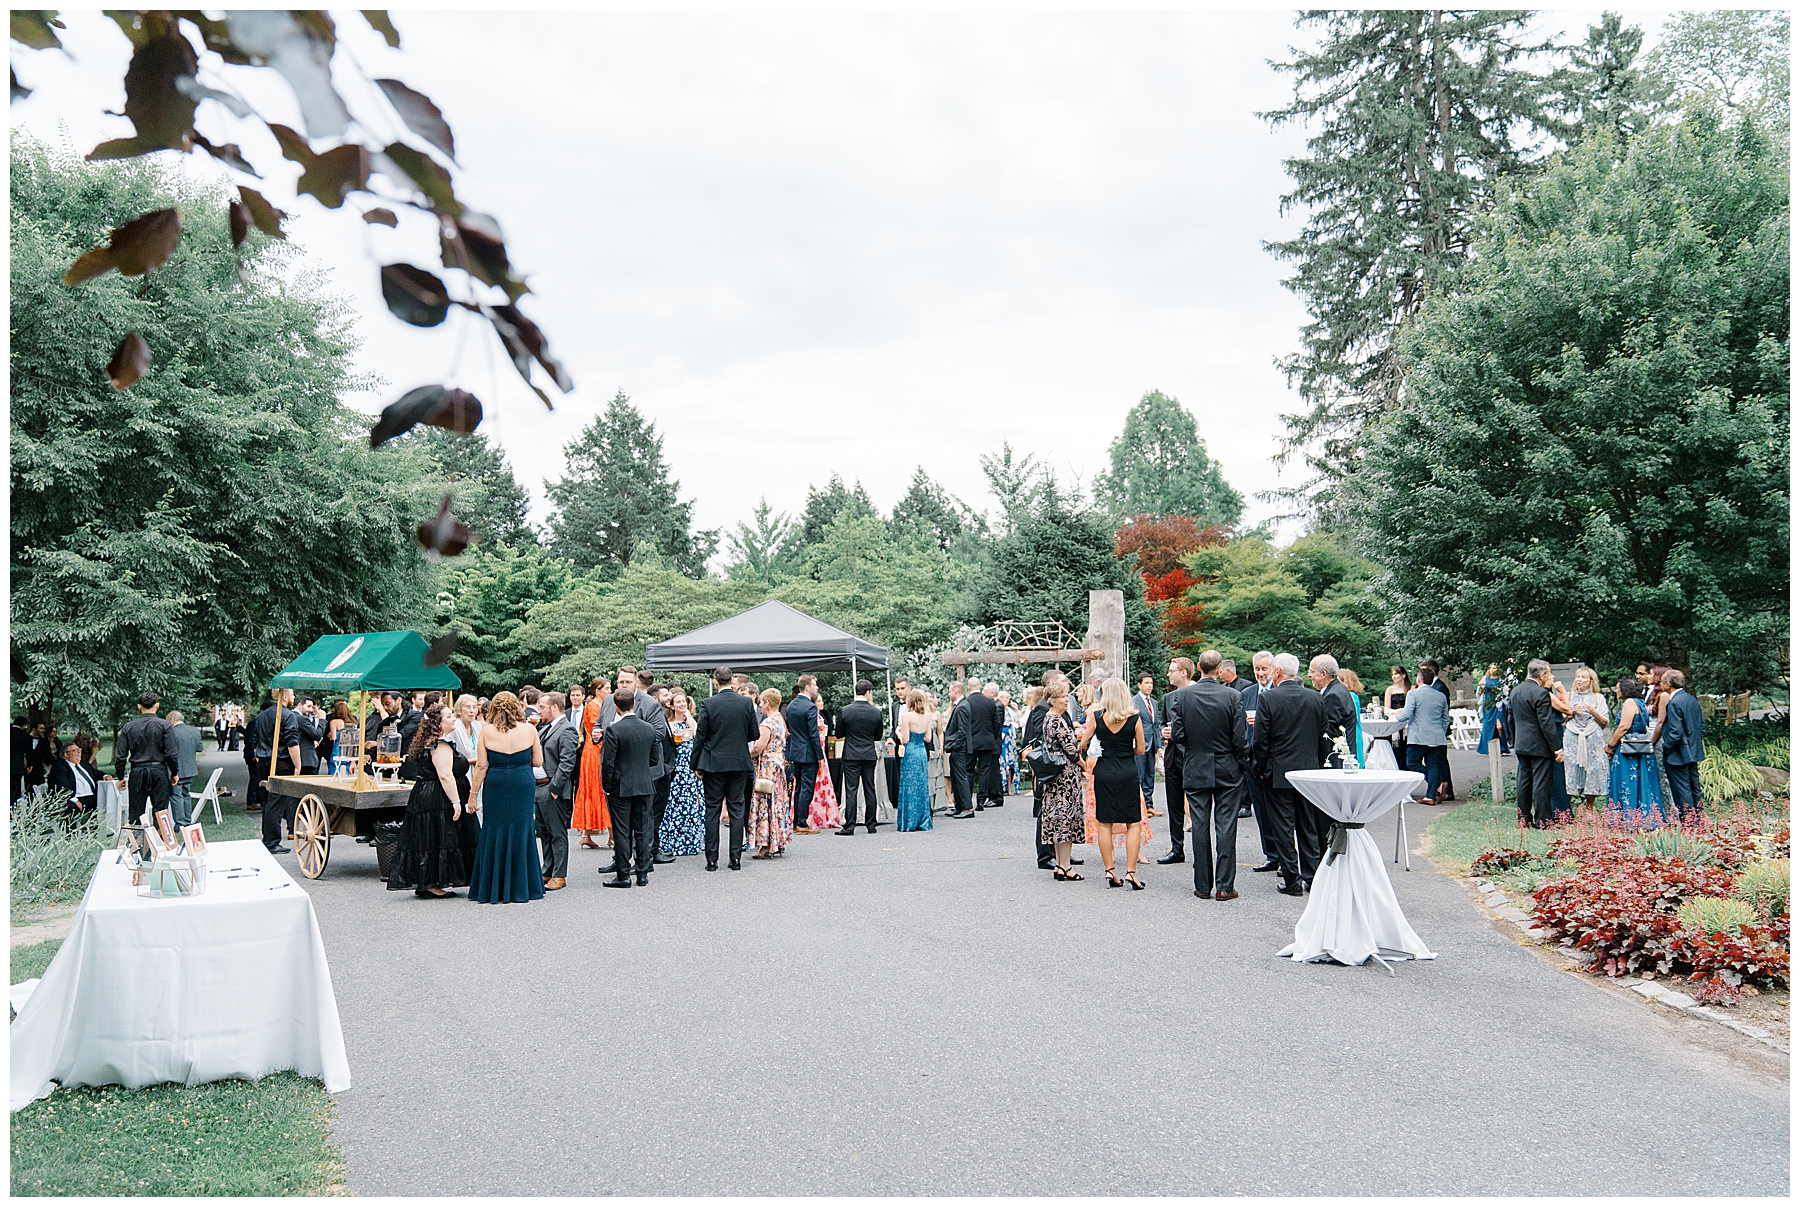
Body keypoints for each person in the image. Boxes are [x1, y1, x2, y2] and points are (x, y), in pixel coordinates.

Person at [1171, 650, 1250, 901]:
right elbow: (1239, 736)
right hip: (1227, 764)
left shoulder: (1181, 696)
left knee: (1200, 824)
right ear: (1218, 669)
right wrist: (1242, 762)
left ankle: (1202, 885)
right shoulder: (1233, 696)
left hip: (1196, 763)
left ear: (1199, 667)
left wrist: (1193, 752)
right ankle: (1225, 886)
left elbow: (1178, 734)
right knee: (1226, 825)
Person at [1252, 653, 1330, 895]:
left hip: (1278, 772)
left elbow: (1261, 740)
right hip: (1307, 772)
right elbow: (1323, 737)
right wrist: (1316, 764)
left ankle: (1291, 880)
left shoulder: (1268, 700)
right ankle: (1312, 875)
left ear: (1277, 672)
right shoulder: (1315, 698)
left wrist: (1261, 768)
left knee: (1283, 827)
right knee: (1307, 825)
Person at [389, 703, 478, 898]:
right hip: (438, 796)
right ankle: (430, 883)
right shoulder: (440, 744)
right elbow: (445, 775)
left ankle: (429, 881)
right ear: (438, 723)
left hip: (428, 794)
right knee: (438, 836)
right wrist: (456, 802)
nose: (453, 718)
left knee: (431, 836)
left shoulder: (432, 741)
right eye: (449, 717)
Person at [468, 692, 545, 904]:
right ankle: (522, 886)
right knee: (522, 827)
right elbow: (538, 762)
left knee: (494, 828)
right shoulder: (530, 730)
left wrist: (472, 796)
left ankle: (493, 886)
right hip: (522, 780)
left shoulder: (486, 732)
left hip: (496, 781)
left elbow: (481, 767)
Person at [1078, 677, 1147, 889]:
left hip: (1104, 771)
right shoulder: (1134, 718)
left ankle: (1110, 870)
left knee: (1105, 823)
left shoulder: (1097, 717)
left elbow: (1082, 743)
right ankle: (1131, 872)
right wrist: (1126, 750)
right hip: (1127, 770)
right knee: (1133, 822)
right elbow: (1142, 750)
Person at [693, 666, 762, 871]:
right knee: (736, 808)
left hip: (714, 763)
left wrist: (695, 763)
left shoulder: (708, 703)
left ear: (716, 682)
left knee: (712, 809)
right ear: (732, 681)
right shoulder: (745, 703)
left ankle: (712, 859)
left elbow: (701, 737)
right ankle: (735, 859)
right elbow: (754, 733)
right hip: (739, 762)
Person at [600, 688, 661, 888]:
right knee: (643, 830)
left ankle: (623, 875)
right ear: (634, 704)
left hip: (621, 786)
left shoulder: (613, 730)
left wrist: (607, 785)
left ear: (616, 707)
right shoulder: (648, 728)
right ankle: (642, 873)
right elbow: (654, 759)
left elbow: (608, 762)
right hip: (644, 784)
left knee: (622, 831)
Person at [1037, 678, 1086, 881]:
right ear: (1053, 699)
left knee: (1057, 818)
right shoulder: (1057, 720)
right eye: (1063, 697)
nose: (1067, 700)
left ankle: (1059, 864)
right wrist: (1084, 766)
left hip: (1055, 777)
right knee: (1066, 819)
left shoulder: (1048, 718)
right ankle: (1065, 866)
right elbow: (1071, 749)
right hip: (1066, 777)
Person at [114, 691, 182, 829]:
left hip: (138, 771)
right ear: (157, 705)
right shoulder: (165, 725)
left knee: (135, 812)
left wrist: (121, 776)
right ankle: (162, 843)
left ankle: (136, 845)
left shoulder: (128, 726)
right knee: (161, 812)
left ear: (139, 706)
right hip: (158, 770)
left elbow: (120, 755)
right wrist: (174, 772)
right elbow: (171, 754)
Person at [535, 692, 581, 891]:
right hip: (539, 785)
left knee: (557, 832)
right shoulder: (546, 728)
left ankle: (559, 874)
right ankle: (548, 869)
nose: (539, 711)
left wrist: (555, 788)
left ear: (554, 707)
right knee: (544, 832)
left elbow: (567, 762)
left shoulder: (567, 729)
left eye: (542, 707)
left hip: (552, 788)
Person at [1508, 659, 1562, 829]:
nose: (1550, 676)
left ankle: (1523, 819)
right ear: (1542, 675)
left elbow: (1510, 718)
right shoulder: (1541, 693)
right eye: (1549, 673)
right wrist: (1557, 747)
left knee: (1523, 782)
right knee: (1541, 783)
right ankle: (1543, 820)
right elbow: (1546, 723)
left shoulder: (1516, 691)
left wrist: (1514, 739)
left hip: (1522, 744)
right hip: (1539, 746)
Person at [1606, 677, 1665, 825]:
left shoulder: (1630, 702)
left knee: (1626, 781)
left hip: (1628, 751)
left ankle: (1627, 818)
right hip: (1641, 749)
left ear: (1625, 689)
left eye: (1618, 688)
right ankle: (1643, 816)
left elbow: (1624, 726)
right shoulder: (1641, 703)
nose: (1616, 690)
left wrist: (1611, 745)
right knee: (1642, 782)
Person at [1390, 665, 1451, 804]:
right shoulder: (1440, 696)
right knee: (1433, 765)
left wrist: (1393, 719)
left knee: (1411, 762)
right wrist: (1439, 730)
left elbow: (1406, 714)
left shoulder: (1413, 694)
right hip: (1437, 737)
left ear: (1418, 680)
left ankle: (1436, 786)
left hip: (1418, 737)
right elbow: (1446, 718)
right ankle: (1430, 796)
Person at [658, 688, 705, 856]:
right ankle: (671, 841)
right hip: (676, 767)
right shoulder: (669, 724)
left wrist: (690, 720)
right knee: (674, 803)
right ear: (671, 705)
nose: (681, 704)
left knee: (692, 803)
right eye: (678, 702)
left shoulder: (691, 722)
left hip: (690, 767)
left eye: (683, 701)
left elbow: (700, 736)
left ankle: (691, 841)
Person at [1157, 658, 1194, 864]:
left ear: (1184, 673)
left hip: (1191, 756)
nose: (1168, 674)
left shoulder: (1197, 694)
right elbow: (1164, 723)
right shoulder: (1168, 698)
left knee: (1197, 804)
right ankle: (1176, 848)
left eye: (1172, 671)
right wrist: (1164, 731)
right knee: (1174, 805)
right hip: (1172, 757)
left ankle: (1199, 848)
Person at [1558, 667, 1611, 810]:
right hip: (1572, 736)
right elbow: (1560, 719)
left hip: (1592, 736)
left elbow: (1605, 722)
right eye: (1578, 677)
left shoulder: (1597, 697)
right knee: (1570, 768)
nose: (1579, 680)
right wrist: (1570, 712)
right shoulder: (1568, 695)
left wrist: (1594, 712)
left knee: (1592, 769)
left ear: (1591, 681)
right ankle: (1566, 807)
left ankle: (1589, 807)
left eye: (1583, 677)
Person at [836, 680, 884, 835]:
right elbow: (878, 736)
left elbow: (838, 734)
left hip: (851, 754)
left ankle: (849, 825)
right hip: (869, 753)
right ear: (868, 692)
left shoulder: (845, 710)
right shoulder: (876, 712)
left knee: (851, 789)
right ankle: (871, 824)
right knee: (870, 788)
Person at [750, 688, 794, 858]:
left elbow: (757, 747)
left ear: (767, 703)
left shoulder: (767, 724)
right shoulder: (780, 721)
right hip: (778, 765)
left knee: (766, 803)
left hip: (767, 767)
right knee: (778, 802)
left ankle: (766, 844)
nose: (760, 705)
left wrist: (745, 754)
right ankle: (778, 839)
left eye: (761, 702)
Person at [1659, 670, 1706, 818]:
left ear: (1668, 684)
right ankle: (1698, 818)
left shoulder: (1674, 703)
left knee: (1682, 788)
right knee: (1695, 787)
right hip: (1694, 750)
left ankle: (1688, 821)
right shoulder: (1691, 699)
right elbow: (1702, 727)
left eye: (1661, 682)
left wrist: (1666, 747)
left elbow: (1675, 732)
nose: (1659, 684)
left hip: (1678, 753)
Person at [780, 676, 823, 835]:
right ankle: (801, 822)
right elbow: (813, 734)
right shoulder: (810, 707)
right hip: (808, 752)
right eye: (814, 685)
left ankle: (797, 820)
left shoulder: (791, 706)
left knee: (798, 788)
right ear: (807, 687)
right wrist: (820, 756)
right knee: (807, 788)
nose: (816, 687)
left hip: (795, 750)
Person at [573, 677, 610, 852]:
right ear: (598, 691)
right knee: (599, 788)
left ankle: (586, 835)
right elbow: (599, 730)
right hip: (595, 751)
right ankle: (611, 835)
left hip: (593, 749)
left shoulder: (598, 705)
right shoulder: (594, 707)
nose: (610, 691)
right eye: (607, 688)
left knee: (593, 789)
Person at [895, 688, 936, 832]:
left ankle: (909, 821)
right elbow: (928, 738)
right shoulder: (927, 716)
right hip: (921, 752)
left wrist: (898, 732)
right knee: (921, 785)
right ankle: (923, 820)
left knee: (909, 785)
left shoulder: (907, 717)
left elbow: (905, 740)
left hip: (911, 752)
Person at [1310, 655, 1358, 769]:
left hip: (1336, 760)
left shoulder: (1333, 696)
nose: (1309, 675)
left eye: (1311, 671)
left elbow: (1327, 732)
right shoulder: (1338, 690)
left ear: (1323, 674)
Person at [964, 679, 1004, 811]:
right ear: (980, 687)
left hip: (971, 742)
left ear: (968, 687)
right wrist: (993, 736)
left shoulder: (966, 702)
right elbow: (997, 723)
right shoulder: (990, 702)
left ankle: (967, 800)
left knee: (969, 771)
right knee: (984, 771)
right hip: (987, 741)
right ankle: (981, 801)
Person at [163, 710, 206, 828]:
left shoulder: (171, 733)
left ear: (172, 719)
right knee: (186, 794)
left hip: (175, 770)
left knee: (176, 796)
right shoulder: (194, 731)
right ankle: (188, 820)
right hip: (190, 768)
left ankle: (180, 823)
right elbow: (200, 748)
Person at [941, 679, 973, 817]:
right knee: (955, 776)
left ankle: (967, 808)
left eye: (950, 690)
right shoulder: (960, 705)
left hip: (959, 748)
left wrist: (956, 745)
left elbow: (962, 730)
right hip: (957, 747)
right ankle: (959, 806)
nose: (949, 693)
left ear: (955, 691)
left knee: (961, 777)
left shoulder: (962, 706)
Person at [1133, 672, 1162, 818]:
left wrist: (1159, 745)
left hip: (1151, 743)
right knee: (1139, 774)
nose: (1149, 686)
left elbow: (1155, 725)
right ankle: (1139, 805)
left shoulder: (1154, 703)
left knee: (1150, 775)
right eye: (1146, 683)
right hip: (1139, 744)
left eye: (1151, 683)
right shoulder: (1133, 702)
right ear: (1139, 685)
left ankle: (1149, 805)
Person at [46, 741, 99, 819]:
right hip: (73, 797)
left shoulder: (82, 764)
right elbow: (62, 787)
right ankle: (73, 830)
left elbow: (95, 773)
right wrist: (74, 800)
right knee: (72, 808)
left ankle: (98, 829)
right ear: (66, 755)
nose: (79, 752)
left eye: (79, 750)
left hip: (90, 797)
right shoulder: (60, 767)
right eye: (75, 751)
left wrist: (105, 776)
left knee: (105, 801)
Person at [884, 676, 911, 805]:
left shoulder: (916, 704)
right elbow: (894, 727)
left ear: (909, 688)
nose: (900, 691)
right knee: (901, 774)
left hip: (913, 743)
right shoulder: (895, 706)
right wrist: (891, 737)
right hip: (899, 745)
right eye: (897, 689)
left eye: (902, 688)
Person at [1477, 663, 1509, 755]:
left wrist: (1501, 690)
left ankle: (1502, 748)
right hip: (1488, 706)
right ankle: (1486, 748)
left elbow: (1505, 692)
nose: (1492, 670)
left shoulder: (1501, 680)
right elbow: (1479, 693)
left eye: (1494, 668)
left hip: (1498, 705)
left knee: (1499, 726)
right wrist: (1481, 687)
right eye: (1490, 668)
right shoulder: (1485, 679)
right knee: (1488, 726)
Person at [998, 690, 1019, 796]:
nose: (1007, 700)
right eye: (1005, 698)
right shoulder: (997, 708)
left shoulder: (1009, 710)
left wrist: (1016, 709)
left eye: (1008, 698)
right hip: (1002, 739)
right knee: (1002, 763)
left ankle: (1010, 785)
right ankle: (1002, 786)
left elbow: (1018, 721)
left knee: (1011, 763)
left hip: (1010, 739)